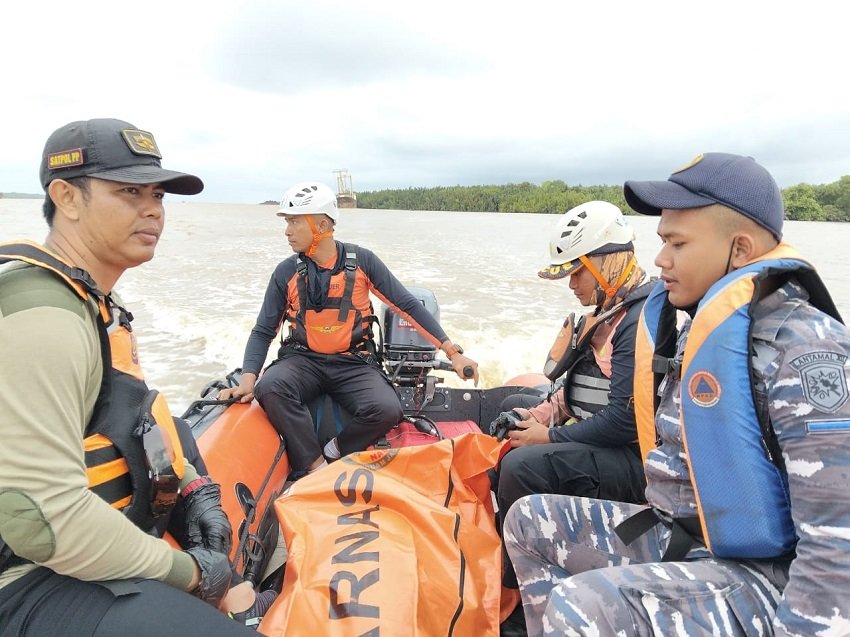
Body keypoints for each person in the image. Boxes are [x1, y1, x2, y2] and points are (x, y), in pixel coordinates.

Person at [504, 152, 850, 636]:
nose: (660, 259)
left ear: (741, 250)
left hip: (762, 576)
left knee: (583, 605)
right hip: (684, 534)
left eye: (677, 243)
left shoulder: (807, 348)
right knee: (528, 521)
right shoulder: (700, 330)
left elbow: (838, 544)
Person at [0, 118, 264, 635]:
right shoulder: (43, 316)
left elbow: (131, 416)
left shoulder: (97, 301)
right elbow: (41, 521)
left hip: (88, 547)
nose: (153, 210)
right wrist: (189, 574)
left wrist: (193, 491)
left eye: (158, 195)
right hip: (26, 576)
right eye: (128, 192)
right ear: (67, 198)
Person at [219, 181, 479, 476]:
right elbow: (263, 330)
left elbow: (407, 305)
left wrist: (452, 351)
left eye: (293, 222)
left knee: (387, 409)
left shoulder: (363, 261)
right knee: (270, 387)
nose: (287, 231)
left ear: (320, 225)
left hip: (353, 362)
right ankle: (315, 467)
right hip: (303, 360)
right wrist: (248, 379)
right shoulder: (286, 272)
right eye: (287, 222)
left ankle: (335, 451)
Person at [493, 202, 651, 629]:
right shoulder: (604, 315)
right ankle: (516, 548)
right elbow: (572, 393)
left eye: (577, 272)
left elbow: (625, 420)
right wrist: (534, 415)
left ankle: (515, 602)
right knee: (511, 414)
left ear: (604, 263)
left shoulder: (639, 321)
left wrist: (550, 439)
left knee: (520, 467)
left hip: (638, 463)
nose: (572, 284)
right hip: (607, 444)